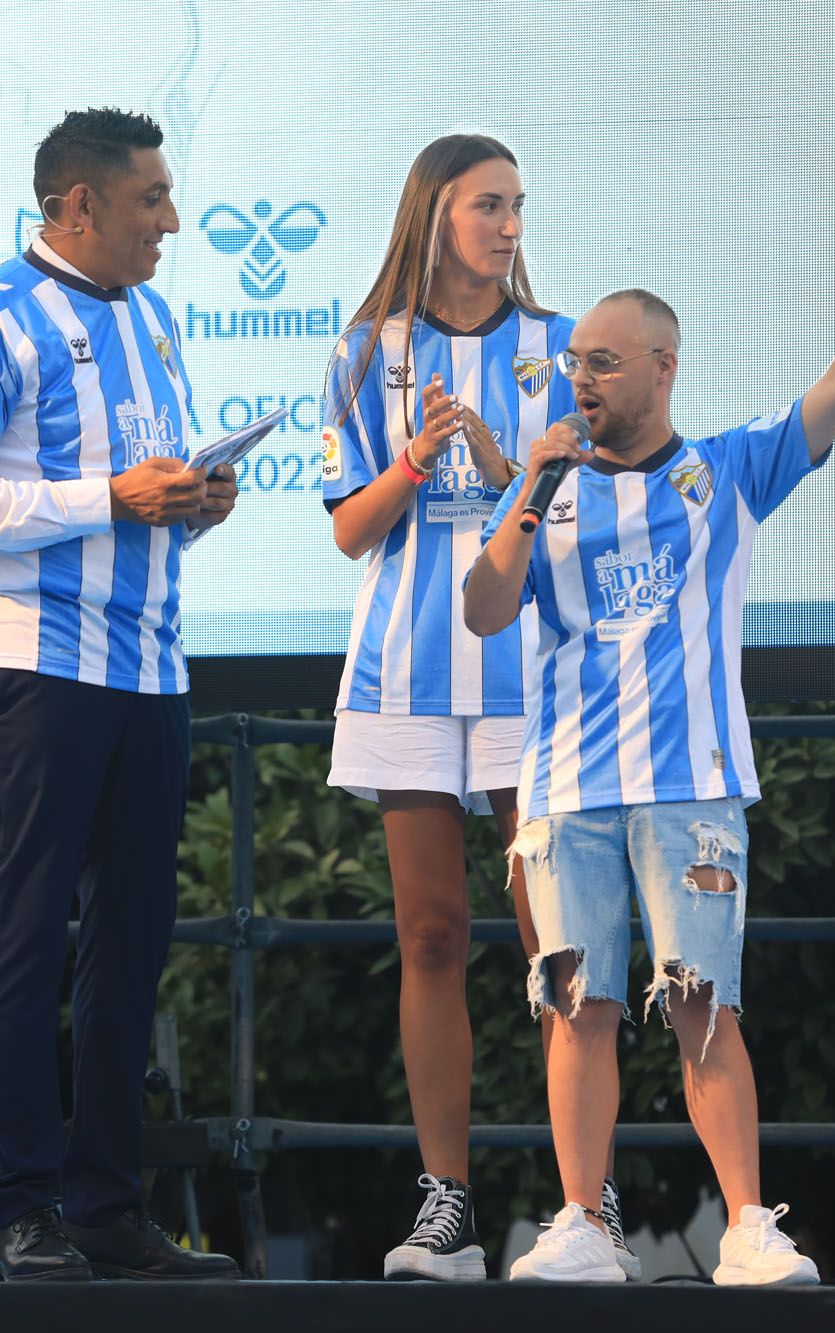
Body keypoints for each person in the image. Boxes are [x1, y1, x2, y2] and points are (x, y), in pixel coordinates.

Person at [465, 208, 835, 1284]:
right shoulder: (540, 486)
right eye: (571, 362)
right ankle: (582, 1224)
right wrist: (529, 484)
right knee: (578, 1009)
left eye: (601, 361)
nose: (579, 378)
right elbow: (483, 608)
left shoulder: (724, 472)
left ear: (661, 365)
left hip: (689, 786)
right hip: (563, 790)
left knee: (699, 1002)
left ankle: (746, 1223)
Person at [0, 107, 240, 1282]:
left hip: (149, 665)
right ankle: (22, 1207)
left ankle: (107, 1205)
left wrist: (187, 506)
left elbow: (133, 503)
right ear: (77, 206)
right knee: (27, 931)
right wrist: (111, 497)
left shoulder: (152, 318)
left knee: (132, 940)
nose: (172, 220)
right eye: (150, 198)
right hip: (30, 667)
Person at [319, 133, 612, 1281]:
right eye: (488, 204)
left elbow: (584, 513)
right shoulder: (361, 351)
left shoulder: (558, 349)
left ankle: (584, 1205)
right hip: (400, 667)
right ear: (433, 212)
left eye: (517, 207)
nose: (507, 226)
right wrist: (414, 459)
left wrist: (501, 468)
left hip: (528, 675)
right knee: (429, 935)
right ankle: (447, 1206)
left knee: (555, 942)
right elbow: (349, 528)